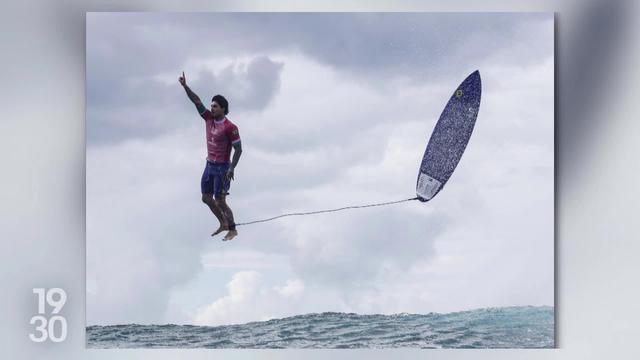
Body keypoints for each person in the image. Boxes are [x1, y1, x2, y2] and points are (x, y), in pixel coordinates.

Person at [179, 71, 242, 241]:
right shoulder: (208, 119)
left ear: (223, 108)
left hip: (222, 168)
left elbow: (239, 149)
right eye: (211, 106)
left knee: (220, 200)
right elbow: (196, 101)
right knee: (206, 198)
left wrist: (231, 168)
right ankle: (223, 223)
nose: (211, 108)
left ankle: (233, 229)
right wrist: (186, 87)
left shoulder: (230, 127)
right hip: (209, 165)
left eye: (215, 106)